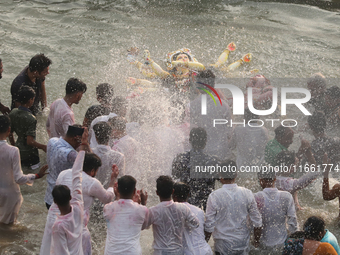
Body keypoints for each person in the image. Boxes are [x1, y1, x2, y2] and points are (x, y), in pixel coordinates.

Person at [40, 153, 117, 255]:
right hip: (75, 224)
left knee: (50, 249)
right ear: (93, 170)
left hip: (54, 218)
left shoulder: (63, 173)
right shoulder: (91, 183)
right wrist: (113, 181)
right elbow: (107, 199)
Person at [204, 160, 263, 255]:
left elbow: (209, 225)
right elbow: (257, 222)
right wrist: (256, 241)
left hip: (222, 246)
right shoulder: (247, 193)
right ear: (236, 174)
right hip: (243, 245)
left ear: (220, 175)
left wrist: (203, 244)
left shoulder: (214, 196)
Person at [0, 115, 48, 224]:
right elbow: (19, 179)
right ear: (9, 130)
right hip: (10, 195)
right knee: (9, 227)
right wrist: (37, 175)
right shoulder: (13, 151)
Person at [142, 175, 199, 255]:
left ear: (157, 193)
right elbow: (196, 223)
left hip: (160, 252)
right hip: (177, 251)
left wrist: (143, 204)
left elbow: (143, 226)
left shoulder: (153, 211)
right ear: (172, 191)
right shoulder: (183, 208)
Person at [188, 70, 233, 161]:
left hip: (201, 154)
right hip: (221, 152)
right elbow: (230, 132)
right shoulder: (223, 105)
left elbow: (191, 130)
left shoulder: (192, 105)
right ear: (213, 86)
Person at [44, 125, 91, 209]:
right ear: (75, 138)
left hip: (49, 196)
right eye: (80, 142)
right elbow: (92, 162)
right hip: (63, 200)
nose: (79, 145)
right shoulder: (71, 154)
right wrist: (85, 143)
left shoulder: (52, 141)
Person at [172, 127, 218, 210]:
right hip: (207, 206)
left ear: (189, 140)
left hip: (185, 206)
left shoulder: (180, 158)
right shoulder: (213, 161)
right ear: (205, 141)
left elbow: (174, 176)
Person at [50, 151, 85, 255]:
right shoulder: (78, 207)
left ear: (55, 202)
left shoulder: (58, 225)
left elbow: (61, 252)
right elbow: (76, 176)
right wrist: (82, 148)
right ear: (70, 197)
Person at [254, 170, 297, 254]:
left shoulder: (257, 197)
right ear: (274, 179)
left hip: (264, 245)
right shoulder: (286, 196)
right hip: (282, 243)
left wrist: (256, 241)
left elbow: (255, 224)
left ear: (260, 180)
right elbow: (293, 221)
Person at [103, 175, 148, 255]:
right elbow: (144, 226)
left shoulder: (108, 208)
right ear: (134, 191)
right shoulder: (142, 210)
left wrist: (117, 197)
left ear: (117, 190)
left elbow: (117, 211)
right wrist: (143, 203)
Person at [9, 86, 47, 169]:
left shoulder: (13, 112)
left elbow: (9, 132)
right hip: (30, 155)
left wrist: (13, 145)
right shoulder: (31, 118)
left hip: (18, 151)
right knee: (33, 175)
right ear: (30, 100)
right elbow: (30, 141)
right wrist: (43, 146)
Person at [172, 182, 213, 255]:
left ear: (173, 194)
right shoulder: (199, 211)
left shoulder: (172, 211)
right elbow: (206, 231)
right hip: (205, 251)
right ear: (188, 194)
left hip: (187, 252)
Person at [92, 121, 125, 188]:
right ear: (110, 136)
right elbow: (121, 179)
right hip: (111, 194)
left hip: (91, 193)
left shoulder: (89, 153)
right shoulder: (119, 156)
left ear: (96, 137)